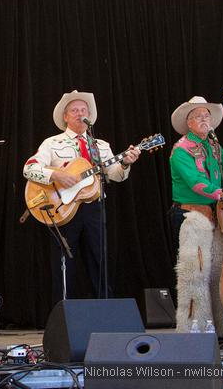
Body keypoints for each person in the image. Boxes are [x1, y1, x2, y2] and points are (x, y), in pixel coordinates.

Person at [23, 90, 141, 304]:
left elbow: (114, 174)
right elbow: (29, 169)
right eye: (74, 110)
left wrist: (125, 162)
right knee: (64, 264)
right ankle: (64, 313)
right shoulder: (52, 143)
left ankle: (105, 313)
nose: (79, 114)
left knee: (100, 260)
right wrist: (56, 174)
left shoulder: (101, 145)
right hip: (64, 208)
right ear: (65, 117)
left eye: (83, 110)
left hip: (94, 207)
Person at [168, 96, 223, 333]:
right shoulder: (181, 149)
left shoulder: (213, 146)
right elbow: (196, 183)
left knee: (218, 272)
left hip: (215, 216)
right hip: (191, 216)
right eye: (199, 117)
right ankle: (193, 330)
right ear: (189, 123)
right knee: (194, 274)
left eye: (207, 116)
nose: (205, 120)